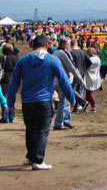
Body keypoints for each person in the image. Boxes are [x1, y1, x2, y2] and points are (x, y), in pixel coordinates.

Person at [7, 35, 74, 170]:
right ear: (47, 45)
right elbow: (63, 80)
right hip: (44, 100)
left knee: (30, 129)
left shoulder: (23, 60)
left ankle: (31, 156)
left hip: (27, 101)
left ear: (33, 45)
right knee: (42, 131)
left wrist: (10, 103)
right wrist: (71, 98)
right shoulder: (52, 59)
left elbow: (14, 83)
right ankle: (38, 160)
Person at [53, 38, 86, 130]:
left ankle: (67, 121)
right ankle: (58, 123)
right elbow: (71, 67)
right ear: (64, 45)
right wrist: (80, 79)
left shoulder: (55, 53)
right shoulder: (62, 53)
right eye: (68, 44)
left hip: (58, 80)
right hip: (62, 81)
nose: (70, 46)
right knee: (63, 103)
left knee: (67, 102)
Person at [0, 44, 19, 122]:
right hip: (14, 79)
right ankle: (12, 117)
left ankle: (5, 117)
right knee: (12, 98)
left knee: (4, 97)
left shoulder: (2, 58)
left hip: (5, 79)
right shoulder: (16, 58)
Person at [84, 47, 101, 113]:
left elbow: (85, 67)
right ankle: (85, 104)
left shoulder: (89, 60)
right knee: (89, 92)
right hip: (96, 76)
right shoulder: (98, 59)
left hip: (89, 76)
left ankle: (93, 106)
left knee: (89, 92)